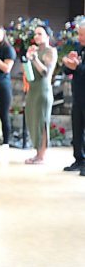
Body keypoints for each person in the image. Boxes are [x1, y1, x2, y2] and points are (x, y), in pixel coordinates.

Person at [23, 25, 57, 164]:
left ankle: (41, 155)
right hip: (33, 89)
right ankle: (37, 153)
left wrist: (35, 58)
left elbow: (45, 72)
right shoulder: (34, 51)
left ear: (47, 36)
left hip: (43, 90)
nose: (36, 36)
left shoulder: (51, 51)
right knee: (32, 120)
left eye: (40, 33)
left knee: (41, 122)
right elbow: (29, 74)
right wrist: (27, 59)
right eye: (35, 34)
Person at [63, 21, 85, 174]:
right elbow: (67, 70)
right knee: (77, 129)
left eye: (83, 34)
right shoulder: (78, 48)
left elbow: (81, 69)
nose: (80, 37)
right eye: (80, 34)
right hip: (77, 96)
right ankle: (79, 159)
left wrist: (76, 66)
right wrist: (68, 62)